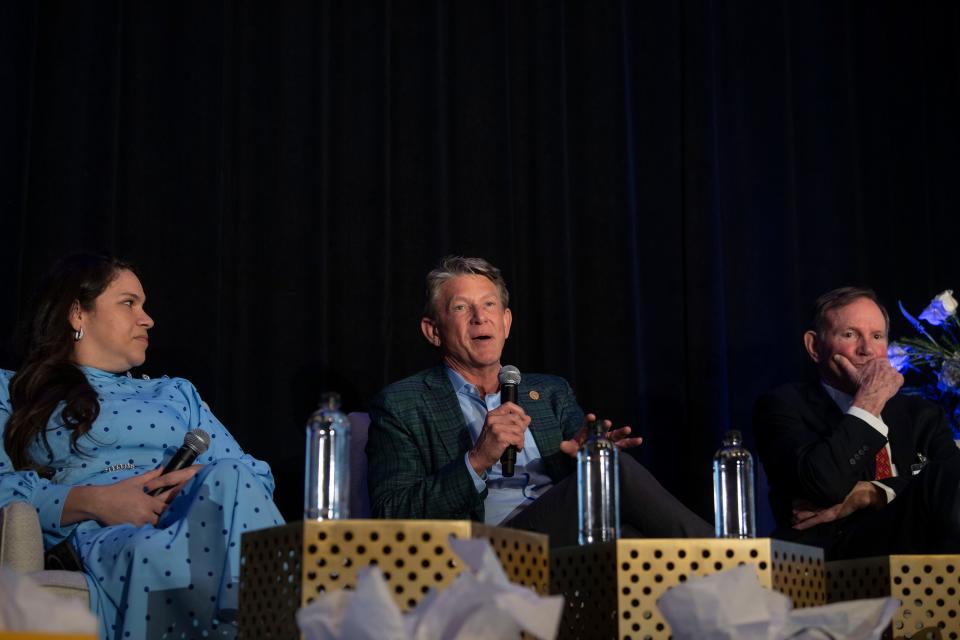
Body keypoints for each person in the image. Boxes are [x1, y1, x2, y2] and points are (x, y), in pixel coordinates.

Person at [0, 253, 283, 640]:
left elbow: (256, 478)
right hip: (106, 532)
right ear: (77, 314)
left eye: (144, 306)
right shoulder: (13, 391)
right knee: (152, 550)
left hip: (194, 519)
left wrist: (198, 479)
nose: (147, 319)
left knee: (232, 474)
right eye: (129, 303)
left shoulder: (176, 391)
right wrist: (99, 501)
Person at [365, 256, 711, 547]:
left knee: (628, 532)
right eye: (460, 307)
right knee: (612, 474)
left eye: (489, 305)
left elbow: (575, 493)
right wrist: (477, 460)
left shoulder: (549, 392)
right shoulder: (401, 404)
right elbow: (392, 513)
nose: (479, 317)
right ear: (433, 330)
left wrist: (583, 459)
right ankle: (738, 566)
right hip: (487, 550)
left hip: (559, 539)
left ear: (506, 321)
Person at [754, 286, 960, 559]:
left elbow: (951, 480)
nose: (867, 350)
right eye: (850, 335)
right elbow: (824, 484)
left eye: (877, 336)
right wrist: (869, 402)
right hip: (836, 555)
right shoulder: (784, 406)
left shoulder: (922, 415)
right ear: (814, 346)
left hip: (921, 550)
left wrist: (873, 492)